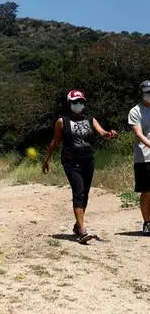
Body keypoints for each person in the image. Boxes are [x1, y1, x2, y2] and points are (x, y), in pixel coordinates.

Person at [42, 90, 117, 244]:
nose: (79, 105)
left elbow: (101, 132)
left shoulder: (90, 119)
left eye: (81, 102)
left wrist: (108, 134)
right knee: (79, 191)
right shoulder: (62, 121)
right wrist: (47, 159)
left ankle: (77, 225)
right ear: (69, 104)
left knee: (86, 194)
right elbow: (55, 142)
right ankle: (82, 231)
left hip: (88, 160)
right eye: (75, 102)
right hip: (71, 161)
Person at [128, 80, 150, 236]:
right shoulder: (135, 111)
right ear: (142, 94)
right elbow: (138, 133)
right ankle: (147, 222)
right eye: (147, 93)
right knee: (147, 191)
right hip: (144, 157)